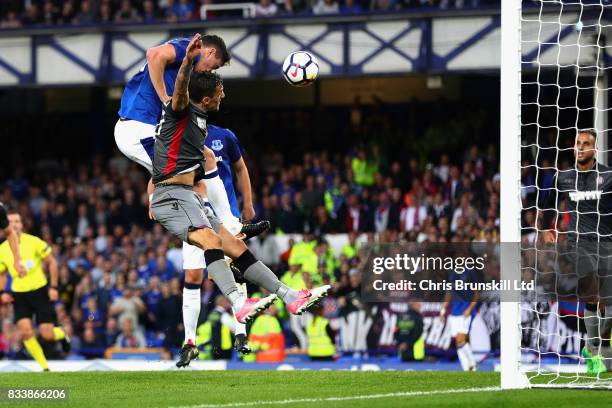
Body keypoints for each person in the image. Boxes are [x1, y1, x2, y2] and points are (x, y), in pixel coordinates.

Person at [149, 34, 330, 368]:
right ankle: (236, 300)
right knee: (210, 240)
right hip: (170, 196)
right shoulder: (181, 111)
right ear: (204, 99)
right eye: (219, 91)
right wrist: (188, 62)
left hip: (188, 196)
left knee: (234, 246)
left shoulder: (203, 124)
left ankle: (288, 296)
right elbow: (179, 93)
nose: (223, 94)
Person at [540, 129, 612, 374]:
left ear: (595, 148)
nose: (580, 147)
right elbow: (547, 203)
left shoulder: (608, 176)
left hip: (606, 243)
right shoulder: (564, 177)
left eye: (586, 143)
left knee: (607, 303)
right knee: (591, 294)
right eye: (577, 143)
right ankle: (595, 352)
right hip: (578, 243)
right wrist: (545, 228)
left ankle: (595, 345)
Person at [0, 209, 70, 371]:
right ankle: (45, 368)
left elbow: (52, 262)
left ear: (22, 224)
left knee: (47, 334)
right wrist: (2, 292)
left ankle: (62, 334)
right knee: (25, 332)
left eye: (17, 221)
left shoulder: (34, 242)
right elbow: (2, 273)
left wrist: (53, 287)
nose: (14, 224)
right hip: (19, 294)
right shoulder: (3, 249)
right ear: (5, 224)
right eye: (10, 221)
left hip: (39, 291)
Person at [439, 266, 479, 371]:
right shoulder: (451, 275)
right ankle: (467, 367)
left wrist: (470, 309)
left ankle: (472, 365)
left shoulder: (470, 273)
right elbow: (448, 294)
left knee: (461, 338)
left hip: (465, 311)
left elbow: (476, 294)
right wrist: (442, 311)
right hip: (454, 312)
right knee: (458, 342)